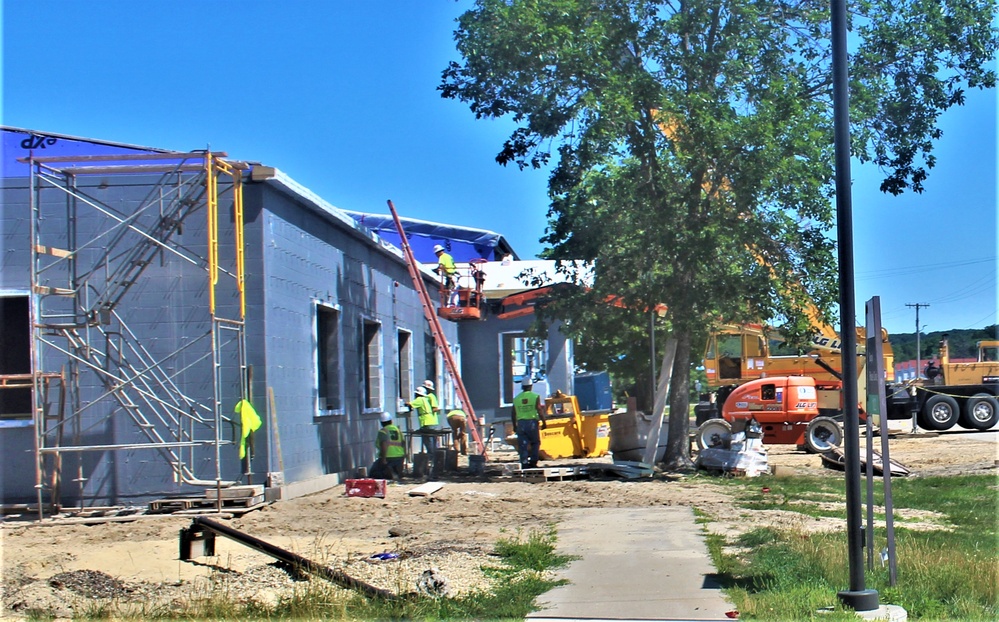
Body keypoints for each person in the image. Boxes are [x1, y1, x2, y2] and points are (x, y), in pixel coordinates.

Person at [511, 378, 546, 469]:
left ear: (522, 387)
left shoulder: (516, 398)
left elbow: (513, 413)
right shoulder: (535, 396)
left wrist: (514, 426)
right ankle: (533, 461)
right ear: (531, 386)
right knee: (535, 442)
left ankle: (524, 462)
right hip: (532, 423)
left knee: (523, 444)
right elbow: (539, 409)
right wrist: (544, 421)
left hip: (521, 423)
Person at [370, 412, 405, 482]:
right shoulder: (398, 430)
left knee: (373, 472)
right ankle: (394, 475)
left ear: (381, 423)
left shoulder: (383, 431)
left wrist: (383, 459)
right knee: (394, 470)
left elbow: (384, 444)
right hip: (399, 457)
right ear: (391, 421)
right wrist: (404, 455)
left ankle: (389, 476)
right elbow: (403, 443)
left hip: (388, 457)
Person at [409, 385, 439, 454]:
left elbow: (410, 404)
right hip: (432, 421)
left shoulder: (420, 399)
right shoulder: (426, 399)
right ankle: (435, 455)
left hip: (426, 422)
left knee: (427, 440)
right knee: (433, 439)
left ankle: (431, 455)